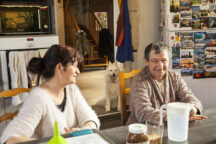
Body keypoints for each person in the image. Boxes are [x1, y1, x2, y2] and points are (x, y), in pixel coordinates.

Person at [0, 45, 100, 144]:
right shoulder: (38, 97)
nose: (78, 71)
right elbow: (9, 140)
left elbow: (91, 120)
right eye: (74, 66)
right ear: (59, 67)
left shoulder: (71, 89)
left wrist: (83, 130)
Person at [127, 41, 207, 125]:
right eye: (155, 61)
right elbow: (142, 111)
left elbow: (191, 98)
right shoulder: (139, 81)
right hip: (141, 130)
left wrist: (192, 109)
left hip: (172, 125)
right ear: (146, 61)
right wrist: (174, 116)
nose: (160, 66)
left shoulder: (175, 77)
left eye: (164, 60)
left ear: (169, 59)